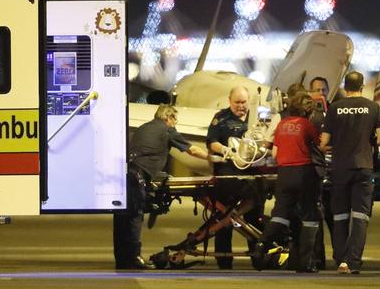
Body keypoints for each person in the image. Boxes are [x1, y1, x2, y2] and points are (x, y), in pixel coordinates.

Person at [114, 104, 207, 270]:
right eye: (175, 120)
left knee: (121, 219)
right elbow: (191, 150)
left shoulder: (142, 128)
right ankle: (134, 258)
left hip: (123, 175)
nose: (175, 124)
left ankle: (121, 259)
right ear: (168, 118)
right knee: (135, 218)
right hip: (137, 178)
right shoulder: (166, 130)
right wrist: (213, 158)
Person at [319, 71, 380, 274]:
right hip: (363, 166)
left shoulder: (334, 108)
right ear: (362, 86)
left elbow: (323, 142)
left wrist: (337, 146)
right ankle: (352, 261)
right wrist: (369, 144)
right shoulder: (373, 107)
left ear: (344, 86)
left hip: (340, 168)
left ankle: (340, 259)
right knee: (360, 216)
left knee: (339, 215)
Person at [255, 93, 322, 273]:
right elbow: (320, 145)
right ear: (308, 111)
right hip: (304, 172)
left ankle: (261, 245)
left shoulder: (281, 124)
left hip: (284, 174)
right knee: (310, 216)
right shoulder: (306, 124)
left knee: (281, 214)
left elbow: (275, 154)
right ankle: (306, 262)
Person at [207, 86, 264, 269]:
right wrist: (225, 150)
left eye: (244, 102)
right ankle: (224, 261)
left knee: (254, 218)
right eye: (237, 102)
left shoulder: (257, 119)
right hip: (228, 175)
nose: (241, 106)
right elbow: (211, 142)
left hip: (251, 174)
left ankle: (259, 258)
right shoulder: (221, 118)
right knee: (224, 219)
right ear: (230, 102)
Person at [308, 76, 333, 269]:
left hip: (333, 172)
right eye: (317, 90)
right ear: (310, 92)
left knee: (334, 217)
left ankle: (341, 256)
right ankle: (318, 259)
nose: (321, 94)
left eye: (324, 90)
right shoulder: (306, 113)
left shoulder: (334, 111)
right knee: (315, 217)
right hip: (315, 171)